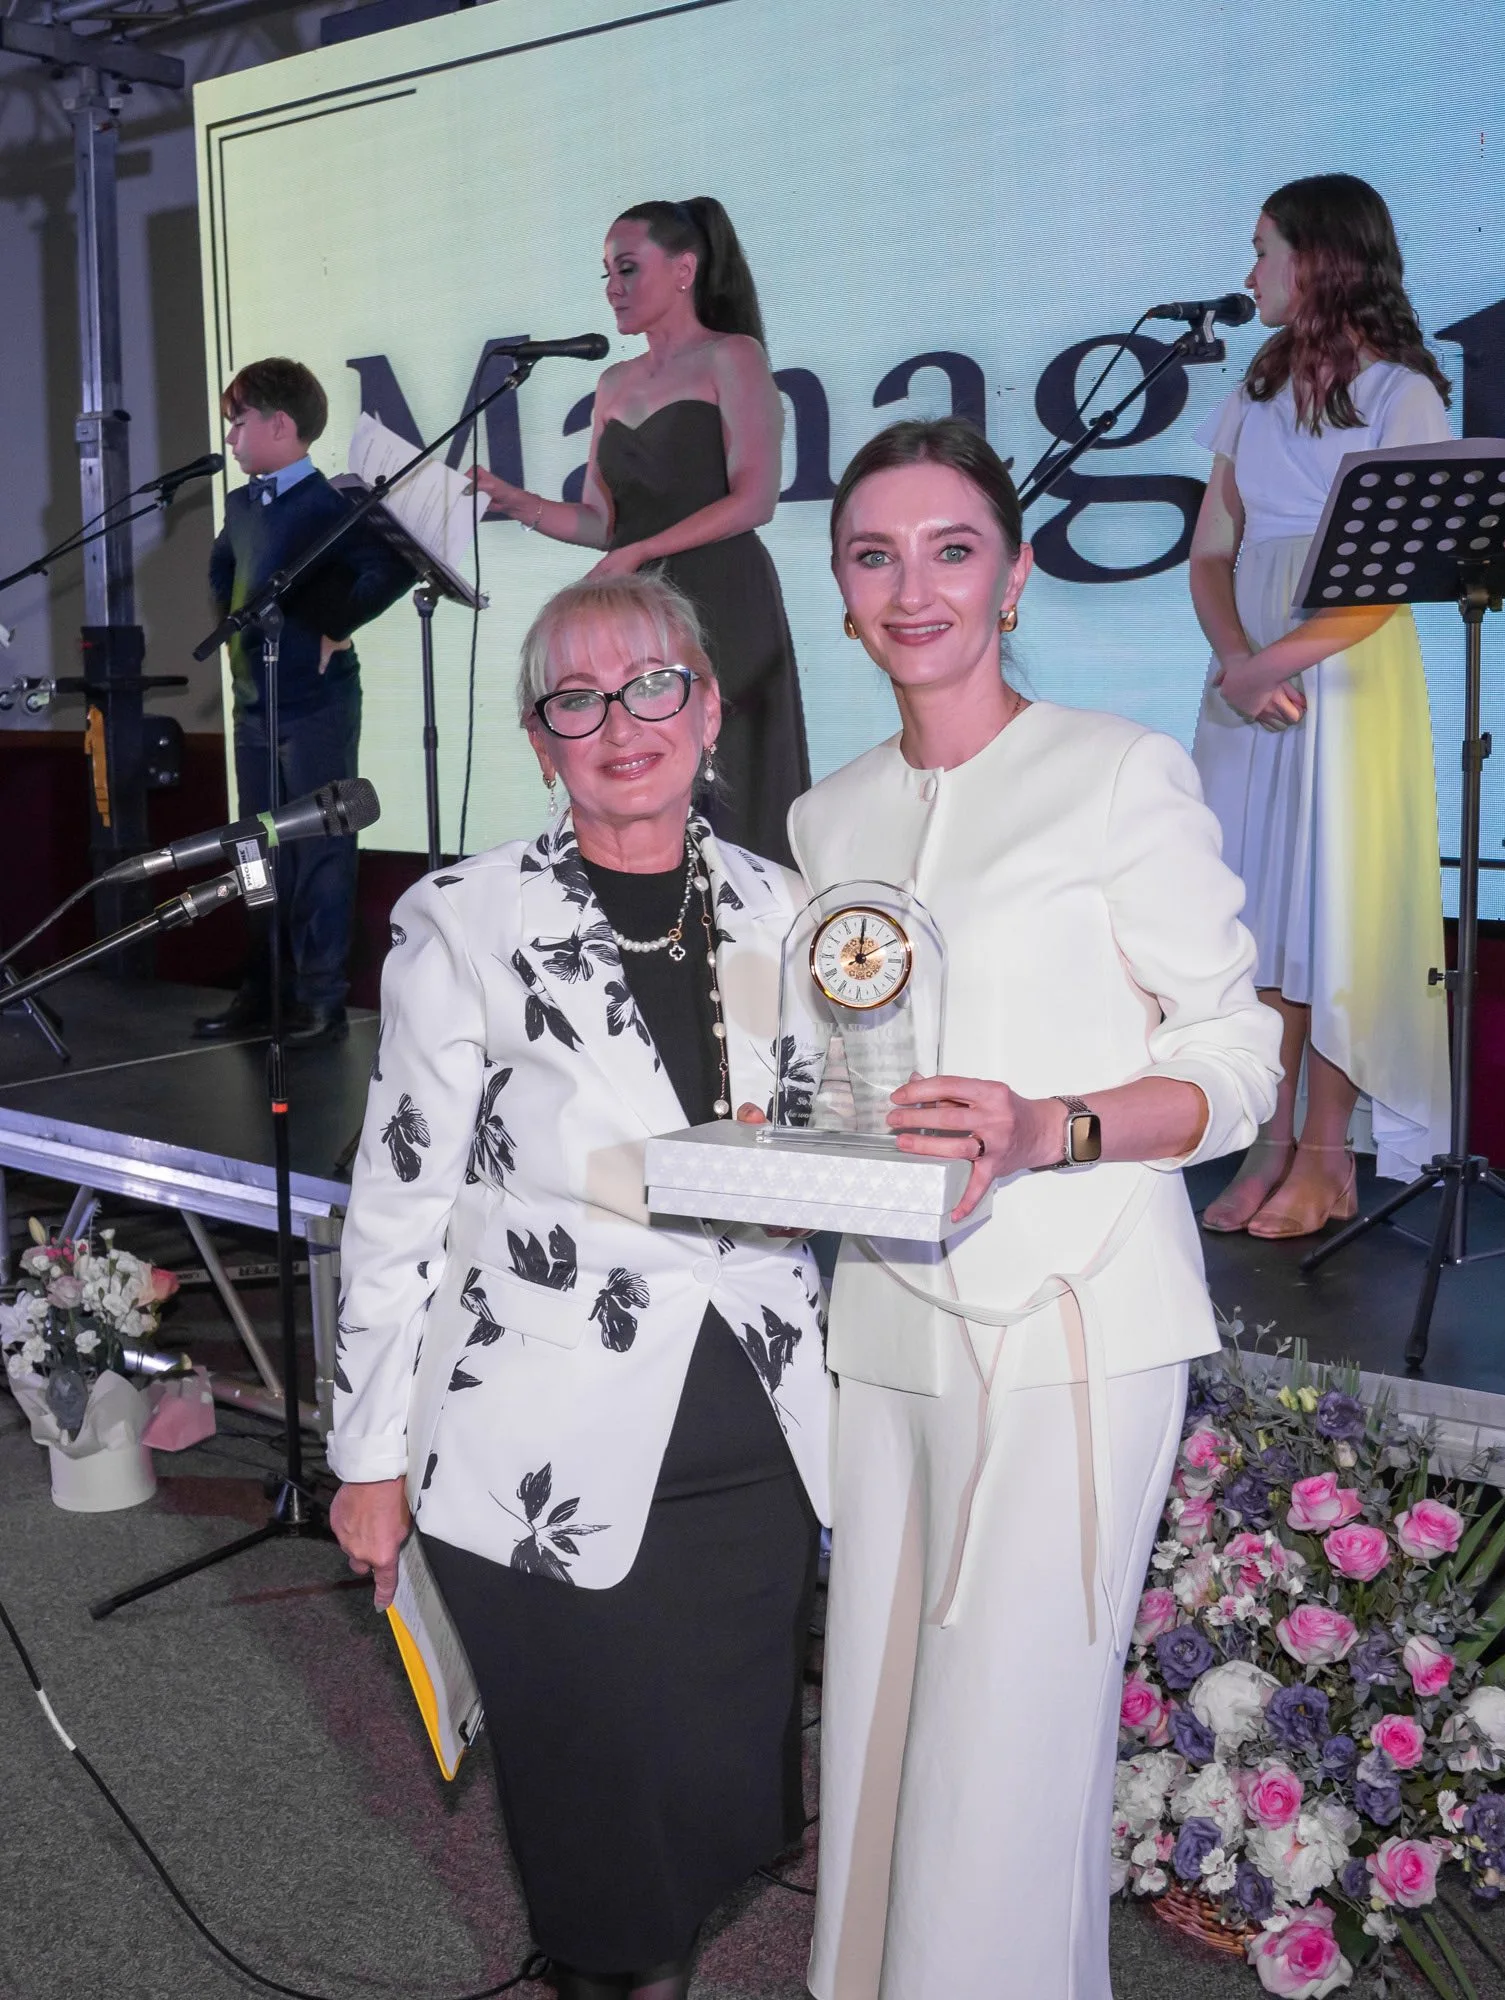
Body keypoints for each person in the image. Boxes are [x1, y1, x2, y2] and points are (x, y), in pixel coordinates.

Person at [787, 418, 1281, 1998]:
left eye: (952, 551)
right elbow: (837, 1071)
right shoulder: (826, 817)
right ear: (842, 592)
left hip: (1074, 1328)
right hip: (888, 1324)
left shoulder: (1117, 772)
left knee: (1004, 1761)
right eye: (876, 556)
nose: (913, 589)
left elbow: (1237, 1064)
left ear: (1011, 580)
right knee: (880, 1738)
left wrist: (1046, 1129)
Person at [328, 572, 831, 2000]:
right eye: (577, 699)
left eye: (654, 684)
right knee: (603, 1829)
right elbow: (399, 1203)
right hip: (536, 1455)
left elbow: (827, 1138)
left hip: (754, 1444)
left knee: (716, 1801)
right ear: (540, 739)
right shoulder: (464, 919)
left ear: (710, 708)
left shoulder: (788, 908)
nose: (622, 724)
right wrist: (366, 1459)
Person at [1189, 173, 1454, 1236]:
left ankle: (1327, 1154)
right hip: (1250, 666)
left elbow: (1398, 574)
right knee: (1253, 909)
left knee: (1329, 904)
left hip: (1344, 664)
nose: (1250, 269)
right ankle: (1267, 1139)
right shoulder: (1251, 391)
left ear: (1321, 258)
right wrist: (1237, 658)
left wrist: (1278, 662)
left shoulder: (1401, 394)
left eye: (1264, 248)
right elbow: (1212, 548)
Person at [470, 197, 810, 864]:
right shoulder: (614, 382)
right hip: (642, 613)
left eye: (627, 268)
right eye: (607, 273)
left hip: (724, 597)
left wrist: (642, 552)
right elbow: (602, 523)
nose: (613, 288)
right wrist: (521, 502)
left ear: (684, 270)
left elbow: (755, 500)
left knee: (733, 780)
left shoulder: (732, 356)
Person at [195, 357, 412, 1048]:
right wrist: (233, 631)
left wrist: (334, 624)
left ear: (280, 425)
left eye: (239, 422)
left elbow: (391, 568)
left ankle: (319, 998)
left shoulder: (331, 504)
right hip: (254, 702)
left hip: (315, 703)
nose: (231, 437)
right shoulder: (242, 505)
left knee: (318, 847)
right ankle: (263, 987)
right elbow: (223, 565)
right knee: (253, 847)